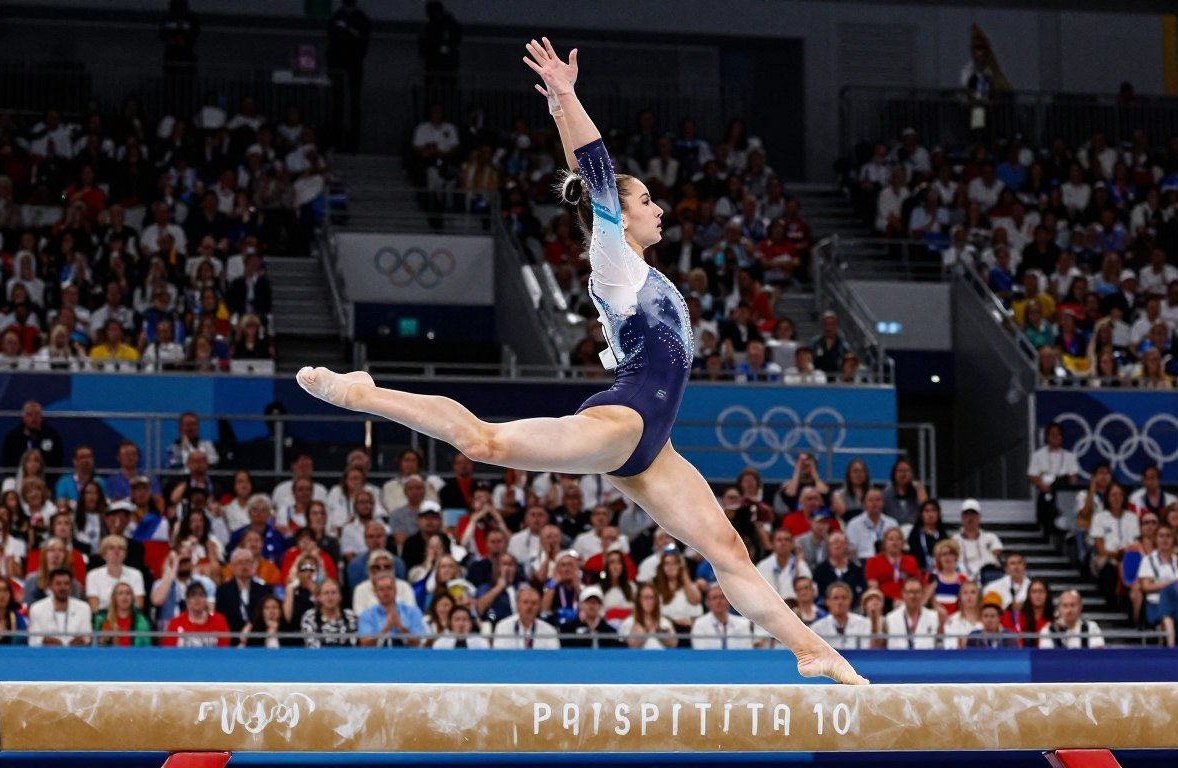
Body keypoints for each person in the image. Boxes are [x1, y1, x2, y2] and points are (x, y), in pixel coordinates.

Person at [297, 39, 865, 685]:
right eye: (645, 200)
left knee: (729, 550)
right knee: (483, 442)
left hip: (653, 449)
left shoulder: (644, 271)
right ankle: (367, 394)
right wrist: (566, 97)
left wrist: (565, 111)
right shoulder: (616, 263)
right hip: (620, 423)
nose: (658, 208)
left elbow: (589, 177)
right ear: (617, 216)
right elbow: (595, 172)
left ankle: (814, 651)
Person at [326, 0, 371, 152]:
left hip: (354, 64)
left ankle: (353, 143)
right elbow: (332, 36)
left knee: (354, 103)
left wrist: (351, 34)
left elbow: (363, 40)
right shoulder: (336, 16)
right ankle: (336, 139)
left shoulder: (361, 18)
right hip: (337, 64)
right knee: (337, 102)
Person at [1027, 422, 1079, 536]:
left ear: (1062, 437)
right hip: (1046, 489)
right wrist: (1046, 489)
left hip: (1063, 490)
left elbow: (1073, 476)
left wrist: (1066, 491)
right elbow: (1033, 476)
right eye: (1052, 434)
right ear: (1047, 436)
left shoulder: (1070, 456)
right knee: (1047, 504)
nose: (1055, 437)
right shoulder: (1038, 455)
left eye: (1058, 434)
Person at [358, 571, 427, 647]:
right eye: (381, 589)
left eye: (389, 588)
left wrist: (401, 627)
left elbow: (418, 643)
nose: (386, 592)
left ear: (395, 590)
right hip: (377, 657)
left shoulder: (412, 611)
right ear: (375, 592)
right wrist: (386, 628)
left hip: (408, 656)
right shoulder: (367, 615)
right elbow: (364, 644)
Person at [27, 568, 92, 646]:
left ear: (71, 586)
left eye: (66, 583)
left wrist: (81, 641)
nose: (63, 587)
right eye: (58, 583)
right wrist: (44, 641)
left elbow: (87, 637)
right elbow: (33, 640)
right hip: (46, 655)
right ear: (50, 586)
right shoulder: (37, 608)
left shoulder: (83, 608)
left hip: (76, 654)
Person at [215, 548, 273, 633]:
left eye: (248, 562)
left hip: (258, 638)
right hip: (231, 638)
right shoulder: (222, 591)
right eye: (240, 562)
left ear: (253, 565)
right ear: (232, 566)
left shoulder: (264, 590)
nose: (244, 566)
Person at [84, 535, 146, 613]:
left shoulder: (136, 574)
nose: (116, 552)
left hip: (130, 620)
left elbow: (139, 606)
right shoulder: (92, 575)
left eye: (120, 548)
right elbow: (94, 608)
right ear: (103, 553)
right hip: (103, 621)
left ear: (125, 554)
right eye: (111, 548)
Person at [163, 581, 232, 648]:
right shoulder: (175, 623)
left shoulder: (219, 621)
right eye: (193, 595)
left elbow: (224, 650)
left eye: (201, 595)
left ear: (206, 600)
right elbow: (168, 652)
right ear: (187, 601)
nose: (197, 599)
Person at [491, 584, 560, 649]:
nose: (529, 607)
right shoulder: (503, 627)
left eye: (534, 603)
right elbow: (500, 655)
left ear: (539, 607)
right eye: (525, 602)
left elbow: (553, 658)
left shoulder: (549, 630)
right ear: (517, 604)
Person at [0, 401, 63, 469]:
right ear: (23, 417)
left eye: (37, 414)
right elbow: (6, 462)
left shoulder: (52, 436)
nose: (33, 418)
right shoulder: (13, 437)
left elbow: (57, 461)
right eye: (29, 415)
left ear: (41, 417)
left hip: (46, 477)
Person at [864, 527, 921, 604]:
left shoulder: (911, 560)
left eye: (898, 539)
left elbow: (916, 583)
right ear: (884, 543)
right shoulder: (873, 561)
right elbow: (873, 587)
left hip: (908, 599)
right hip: (884, 601)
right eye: (891, 539)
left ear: (903, 543)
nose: (895, 542)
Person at [952, 499, 1003, 583]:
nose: (970, 518)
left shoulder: (990, 537)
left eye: (973, 515)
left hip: (986, 577)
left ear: (979, 517)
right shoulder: (954, 539)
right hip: (962, 578)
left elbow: (997, 554)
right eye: (967, 515)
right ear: (962, 518)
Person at [756, 528, 812, 601]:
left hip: (794, 609)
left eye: (787, 540)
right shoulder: (762, 566)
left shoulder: (800, 565)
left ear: (792, 544)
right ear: (772, 544)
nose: (783, 543)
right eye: (779, 540)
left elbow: (809, 591)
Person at [884, 575, 939, 649]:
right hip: (898, 659)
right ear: (903, 594)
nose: (913, 596)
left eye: (916, 592)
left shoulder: (933, 617)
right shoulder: (890, 618)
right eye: (909, 592)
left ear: (922, 593)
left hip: (925, 659)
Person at [557, 585, 621, 648]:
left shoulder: (609, 631)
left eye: (595, 602)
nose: (592, 605)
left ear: (600, 606)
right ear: (580, 605)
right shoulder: (569, 628)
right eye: (588, 601)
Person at [94, 581, 155, 647]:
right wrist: (103, 640)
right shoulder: (104, 620)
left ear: (132, 598)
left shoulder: (142, 621)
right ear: (114, 598)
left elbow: (147, 648)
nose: (124, 596)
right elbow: (98, 646)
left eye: (128, 593)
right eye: (120, 593)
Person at [1038, 590, 1104, 649]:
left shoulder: (1091, 627)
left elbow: (1097, 654)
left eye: (1073, 605)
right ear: (1059, 608)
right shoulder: (1048, 629)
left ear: (1081, 607)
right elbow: (1046, 657)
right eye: (1065, 606)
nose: (1069, 610)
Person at [302, 579, 358, 648]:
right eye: (326, 593)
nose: (330, 597)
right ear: (319, 597)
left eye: (334, 592)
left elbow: (353, 644)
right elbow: (311, 646)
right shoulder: (310, 617)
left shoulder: (350, 616)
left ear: (340, 596)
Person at [844, 488, 896, 561]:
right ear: (864, 504)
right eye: (870, 500)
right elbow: (850, 550)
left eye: (878, 500)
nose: (874, 503)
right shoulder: (853, 524)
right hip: (862, 562)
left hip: (887, 561)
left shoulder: (892, 523)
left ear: (883, 503)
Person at [942, 581, 983, 649]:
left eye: (973, 592)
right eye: (965, 593)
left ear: (979, 596)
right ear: (960, 597)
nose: (969, 596)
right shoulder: (952, 621)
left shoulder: (987, 618)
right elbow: (950, 646)